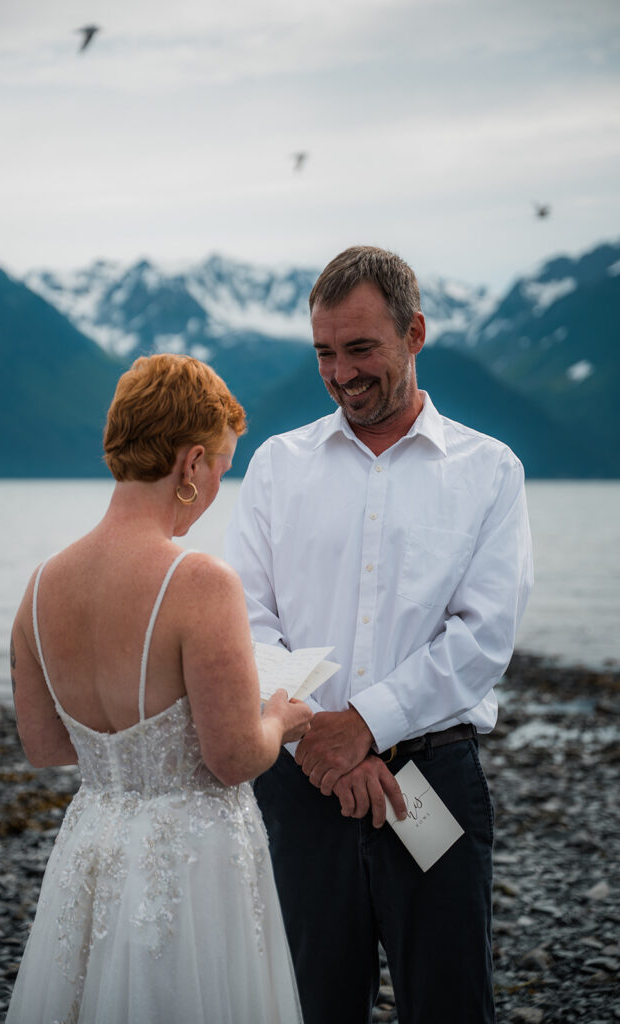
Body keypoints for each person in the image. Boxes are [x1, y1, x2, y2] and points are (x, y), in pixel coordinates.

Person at [225, 246, 534, 1024]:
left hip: (430, 779)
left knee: (449, 1003)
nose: (341, 372)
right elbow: (246, 622)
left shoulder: (489, 470)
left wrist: (361, 726)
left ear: (414, 333)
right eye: (325, 352)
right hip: (298, 787)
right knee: (308, 1005)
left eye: (360, 348)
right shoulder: (274, 466)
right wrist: (320, 750)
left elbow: (482, 638)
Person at [6, 353, 312, 1024]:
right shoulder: (201, 582)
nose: (212, 493)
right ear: (191, 462)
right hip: (192, 861)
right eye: (221, 470)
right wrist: (280, 717)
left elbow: (44, 745)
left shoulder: (39, 587)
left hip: (91, 845)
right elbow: (233, 757)